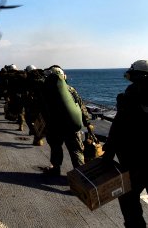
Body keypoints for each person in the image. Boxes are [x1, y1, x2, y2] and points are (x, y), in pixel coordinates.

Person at [102, 60, 148, 227]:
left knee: (129, 199)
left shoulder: (130, 96)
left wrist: (108, 153)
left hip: (135, 161)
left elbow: (118, 128)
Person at [41, 65, 93, 176]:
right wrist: (87, 123)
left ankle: (56, 169)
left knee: (55, 148)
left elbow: (41, 109)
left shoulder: (45, 91)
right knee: (76, 151)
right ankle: (80, 176)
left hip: (54, 126)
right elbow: (80, 106)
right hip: (71, 126)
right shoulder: (70, 89)